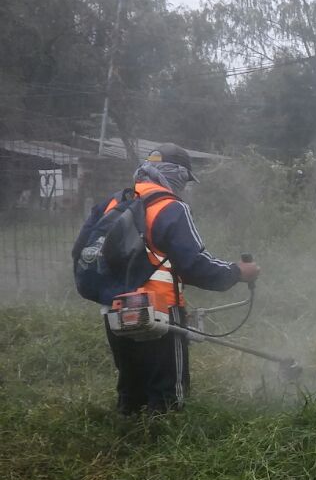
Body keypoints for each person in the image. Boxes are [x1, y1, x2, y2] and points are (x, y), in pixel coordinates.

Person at [73, 143, 260, 414]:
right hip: (157, 312)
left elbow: (78, 252)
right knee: (168, 391)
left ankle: (129, 433)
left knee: (131, 384)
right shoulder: (171, 207)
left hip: (115, 311)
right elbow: (196, 265)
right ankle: (165, 438)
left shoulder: (113, 202)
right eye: (184, 180)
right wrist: (238, 272)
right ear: (177, 175)